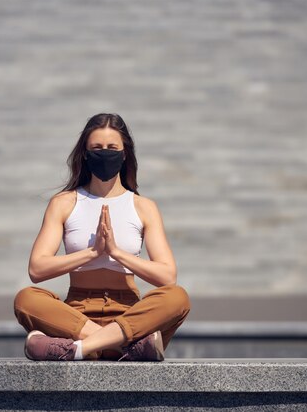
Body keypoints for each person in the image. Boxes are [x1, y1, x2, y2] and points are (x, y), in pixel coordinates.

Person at [13, 113, 191, 361]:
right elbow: (37, 268)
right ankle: (122, 347)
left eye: (112, 148)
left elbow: (167, 276)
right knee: (26, 299)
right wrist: (92, 253)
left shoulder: (143, 207)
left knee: (177, 298)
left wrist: (117, 253)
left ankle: (79, 349)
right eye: (97, 148)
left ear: (124, 153)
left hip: (129, 314)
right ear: (85, 153)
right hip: (78, 314)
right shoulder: (64, 203)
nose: (104, 153)